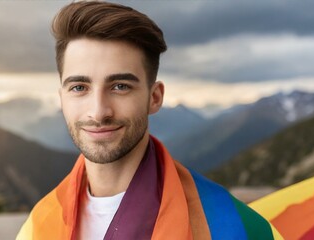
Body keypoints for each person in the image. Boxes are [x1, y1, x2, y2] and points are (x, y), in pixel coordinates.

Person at [17, 1, 280, 239]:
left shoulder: (237, 230)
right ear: (61, 98)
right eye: (79, 88)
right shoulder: (38, 227)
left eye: (120, 86)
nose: (98, 112)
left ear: (154, 98)